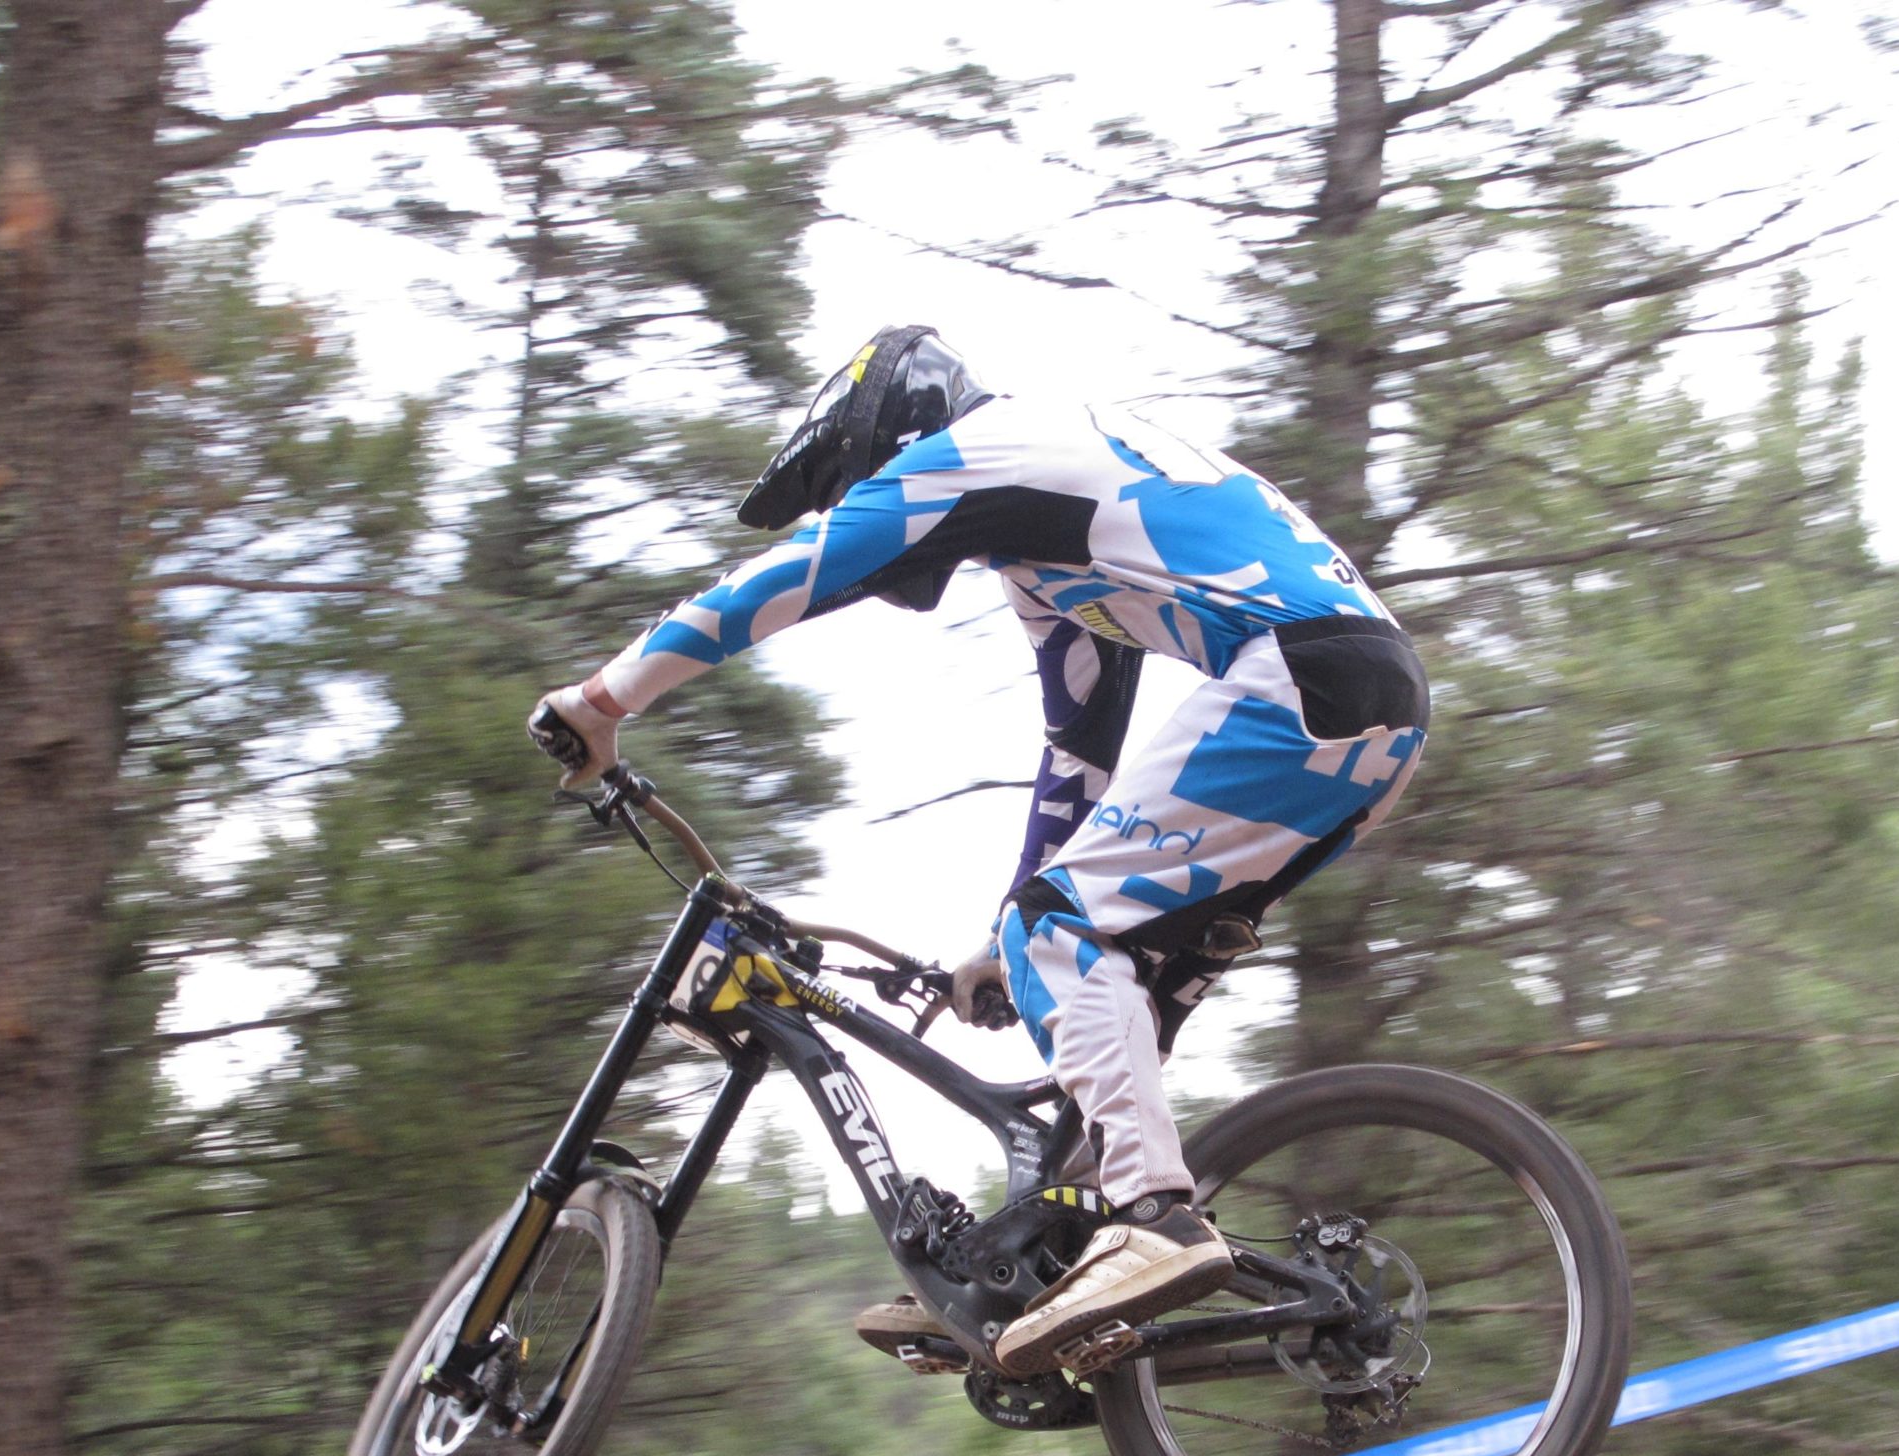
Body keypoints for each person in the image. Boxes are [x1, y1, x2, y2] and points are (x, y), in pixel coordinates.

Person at [531, 325, 1427, 1377]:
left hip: (1301, 680)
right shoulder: (1046, 542)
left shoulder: (985, 445)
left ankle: (1153, 1220)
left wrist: (604, 699)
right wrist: (1005, 932)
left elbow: (801, 570)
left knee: (1062, 930)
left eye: (854, 481)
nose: (857, 502)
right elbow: (1080, 755)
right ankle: (1033, 1269)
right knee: (1092, 981)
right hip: (1367, 710)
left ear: (895, 431)